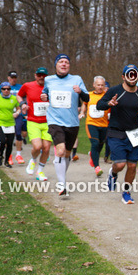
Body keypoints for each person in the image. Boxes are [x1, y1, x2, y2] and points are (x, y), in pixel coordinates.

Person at [96, 64, 138, 205]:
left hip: (134, 133)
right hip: (116, 133)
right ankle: (113, 173)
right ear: (123, 77)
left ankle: (126, 192)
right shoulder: (115, 91)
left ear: (137, 77)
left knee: (132, 166)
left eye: (134, 75)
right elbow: (99, 104)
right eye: (129, 74)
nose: (132, 78)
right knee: (120, 164)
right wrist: (108, 103)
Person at [40, 54, 89, 198]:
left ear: (69, 65)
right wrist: (44, 97)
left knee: (67, 154)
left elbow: (87, 98)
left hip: (72, 122)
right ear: (56, 65)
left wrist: (80, 92)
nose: (64, 64)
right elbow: (45, 94)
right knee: (60, 151)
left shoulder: (77, 79)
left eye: (66, 62)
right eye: (61, 62)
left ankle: (61, 178)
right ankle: (62, 184)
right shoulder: (48, 80)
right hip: (55, 121)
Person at [18, 68, 52, 181]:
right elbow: (19, 95)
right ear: (35, 75)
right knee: (37, 146)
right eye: (39, 75)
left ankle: (40, 171)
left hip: (48, 122)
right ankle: (33, 160)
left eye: (44, 75)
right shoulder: (27, 86)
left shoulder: (51, 86)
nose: (41, 77)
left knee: (46, 148)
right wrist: (22, 104)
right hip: (33, 121)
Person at [84, 76, 110, 177]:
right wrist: (82, 112)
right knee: (95, 143)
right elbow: (84, 104)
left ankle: (93, 156)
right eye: (98, 85)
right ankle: (97, 167)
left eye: (102, 85)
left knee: (100, 144)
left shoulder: (107, 96)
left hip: (104, 124)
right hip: (91, 123)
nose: (100, 87)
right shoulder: (89, 95)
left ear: (104, 86)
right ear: (94, 85)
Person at [0, 82, 20, 167]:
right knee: (3, 141)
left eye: (8, 89)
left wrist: (17, 113)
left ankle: (6, 161)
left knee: (10, 143)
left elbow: (19, 108)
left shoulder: (14, 98)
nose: (6, 90)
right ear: (1, 89)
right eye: (4, 89)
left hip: (11, 123)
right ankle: (0, 156)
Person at [8, 71, 26, 163]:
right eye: (12, 77)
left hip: (19, 114)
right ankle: (9, 155)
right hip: (7, 115)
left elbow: (26, 98)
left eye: (15, 77)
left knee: (19, 134)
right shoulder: (4, 87)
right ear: (8, 78)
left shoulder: (21, 87)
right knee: (8, 136)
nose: (13, 79)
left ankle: (18, 155)